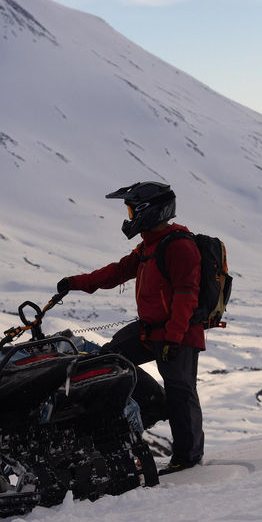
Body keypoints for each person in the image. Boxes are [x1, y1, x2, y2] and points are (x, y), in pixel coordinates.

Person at [57, 181, 206, 475]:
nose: (128, 217)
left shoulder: (179, 246)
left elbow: (187, 295)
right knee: (109, 361)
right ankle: (146, 411)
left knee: (181, 390)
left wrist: (174, 338)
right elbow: (115, 272)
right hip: (150, 330)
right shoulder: (149, 246)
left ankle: (188, 459)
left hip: (179, 332)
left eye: (131, 209)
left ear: (148, 211)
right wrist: (74, 282)